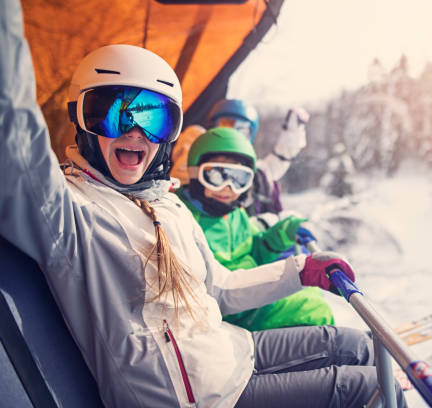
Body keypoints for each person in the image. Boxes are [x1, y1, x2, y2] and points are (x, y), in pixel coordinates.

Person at [0, 7, 408, 407]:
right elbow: (13, 132)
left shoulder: (169, 206)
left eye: (155, 119)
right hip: (195, 398)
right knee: (367, 388)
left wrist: (301, 271)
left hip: (231, 352)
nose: (136, 133)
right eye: (114, 115)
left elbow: (221, 289)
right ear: (80, 117)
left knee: (356, 346)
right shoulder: (68, 214)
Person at [173, 126, 334, 331]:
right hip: (230, 311)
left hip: (251, 295)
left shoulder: (234, 214)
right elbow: (214, 288)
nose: (228, 188)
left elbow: (254, 251)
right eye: (216, 176)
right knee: (311, 308)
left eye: (239, 179)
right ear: (195, 172)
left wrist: (284, 232)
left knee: (312, 294)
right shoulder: (184, 218)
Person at [205, 98, 310, 219]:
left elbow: (278, 161)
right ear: (212, 127)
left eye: (241, 130)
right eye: (225, 126)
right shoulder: (200, 164)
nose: (232, 135)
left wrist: (292, 134)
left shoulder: (258, 174)